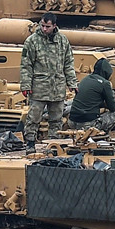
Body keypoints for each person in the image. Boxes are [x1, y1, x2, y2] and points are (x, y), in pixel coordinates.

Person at [20, 12, 78, 154]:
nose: (44, 29)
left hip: (57, 87)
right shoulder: (32, 41)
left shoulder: (62, 41)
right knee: (34, 117)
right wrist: (26, 85)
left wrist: (72, 83)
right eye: (42, 25)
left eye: (47, 26)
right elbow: (26, 65)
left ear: (54, 26)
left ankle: (54, 144)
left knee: (56, 119)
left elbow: (68, 63)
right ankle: (30, 143)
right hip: (39, 87)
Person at [68, 58, 115, 132]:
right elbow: (113, 107)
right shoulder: (105, 83)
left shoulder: (85, 79)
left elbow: (89, 99)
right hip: (87, 124)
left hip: (71, 121)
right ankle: (104, 133)